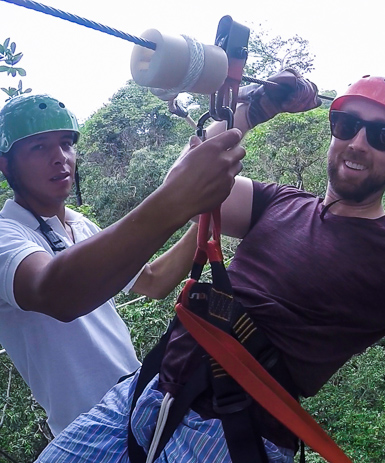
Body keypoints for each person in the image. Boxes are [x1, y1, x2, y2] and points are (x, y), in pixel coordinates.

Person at [29, 73, 385, 463]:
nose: (359, 143)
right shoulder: (278, 203)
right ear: (333, 130)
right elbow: (187, 179)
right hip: (147, 391)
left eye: (382, 136)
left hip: (228, 438)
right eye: (347, 125)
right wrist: (254, 107)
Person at [0, 93, 246, 436]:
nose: (60, 158)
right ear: (6, 164)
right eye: (39, 147)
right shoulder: (6, 236)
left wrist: (201, 209)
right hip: (85, 433)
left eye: (66, 143)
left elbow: (154, 280)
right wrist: (178, 198)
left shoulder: (78, 224)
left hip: (137, 405)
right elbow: (57, 293)